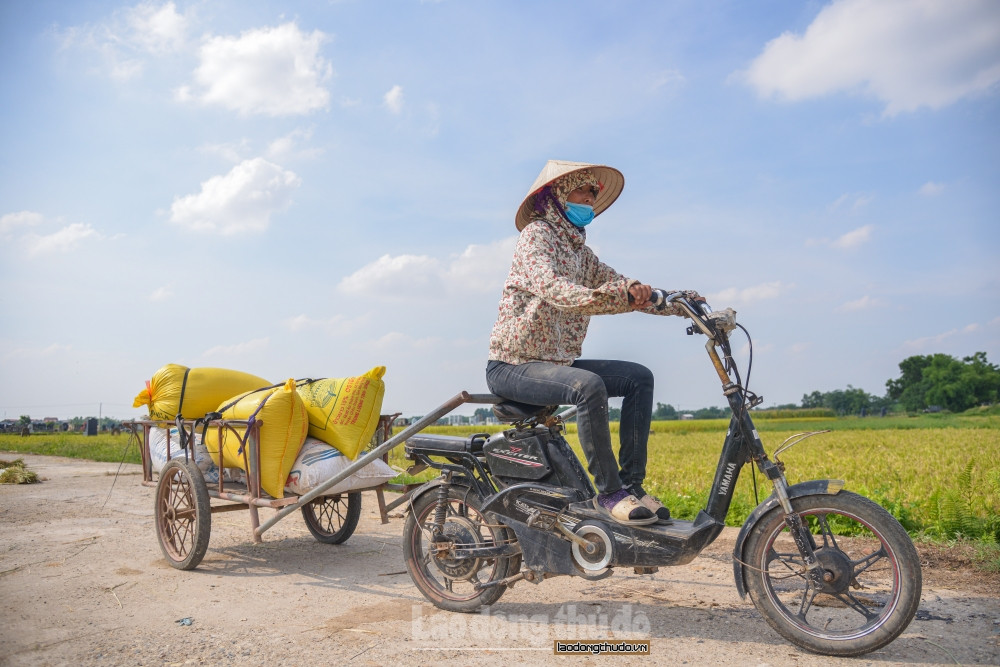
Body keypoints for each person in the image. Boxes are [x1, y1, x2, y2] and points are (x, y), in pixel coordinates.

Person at [486, 159, 699, 526]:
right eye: (583, 190)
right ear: (556, 197)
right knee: (589, 386)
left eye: (593, 193)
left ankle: (631, 485)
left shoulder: (580, 253)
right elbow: (556, 290)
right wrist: (620, 294)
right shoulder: (536, 236)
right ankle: (609, 493)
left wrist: (684, 305)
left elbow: (627, 289)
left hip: (556, 365)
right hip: (513, 365)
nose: (590, 198)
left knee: (639, 377)